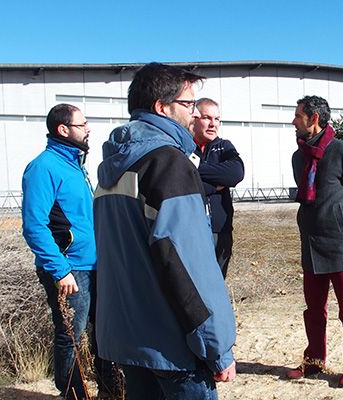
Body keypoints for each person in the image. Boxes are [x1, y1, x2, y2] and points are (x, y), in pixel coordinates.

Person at [93, 63, 236, 399]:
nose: (195, 114)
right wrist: (216, 347)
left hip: (127, 339)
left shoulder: (112, 166)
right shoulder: (168, 164)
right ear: (162, 107)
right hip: (173, 346)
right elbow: (188, 265)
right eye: (189, 104)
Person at [21, 104, 121, 399]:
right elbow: (34, 225)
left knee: (104, 331)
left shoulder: (77, 166)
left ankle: (110, 389)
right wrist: (60, 269)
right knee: (70, 336)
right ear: (63, 129)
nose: (88, 129)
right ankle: (72, 393)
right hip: (70, 269)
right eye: (82, 124)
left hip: (95, 265)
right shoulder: (43, 168)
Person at [286, 96, 343, 387]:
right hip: (311, 243)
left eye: (298, 116)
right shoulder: (298, 157)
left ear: (314, 118)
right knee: (313, 310)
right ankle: (314, 361)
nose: (293, 121)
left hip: (341, 243)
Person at [192, 98, 245, 278]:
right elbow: (183, 182)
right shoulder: (184, 147)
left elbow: (235, 174)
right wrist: (216, 185)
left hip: (220, 230)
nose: (213, 124)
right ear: (194, 118)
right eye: (207, 118)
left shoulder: (224, 146)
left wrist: (195, 169)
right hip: (193, 231)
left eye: (217, 119)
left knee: (217, 283)